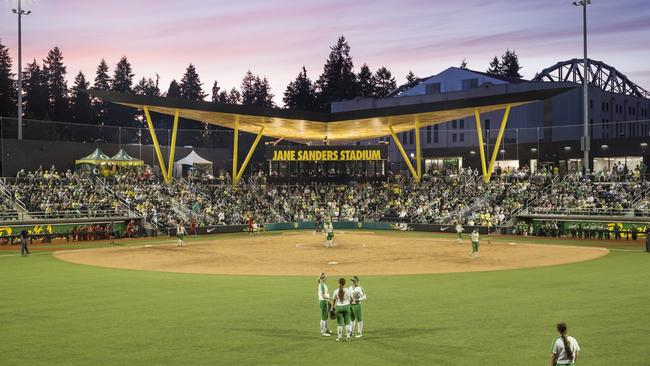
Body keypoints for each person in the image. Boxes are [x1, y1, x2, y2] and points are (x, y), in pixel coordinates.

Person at [317, 273, 333, 337]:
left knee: (326, 317)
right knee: (323, 317)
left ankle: (326, 329)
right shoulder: (322, 286)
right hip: (323, 302)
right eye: (326, 277)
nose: (326, 278)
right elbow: (323, 296)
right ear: (323, 278)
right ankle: (322, 332)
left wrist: (328, 301)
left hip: (325, 301)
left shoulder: (322, 285)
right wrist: (331, 298)